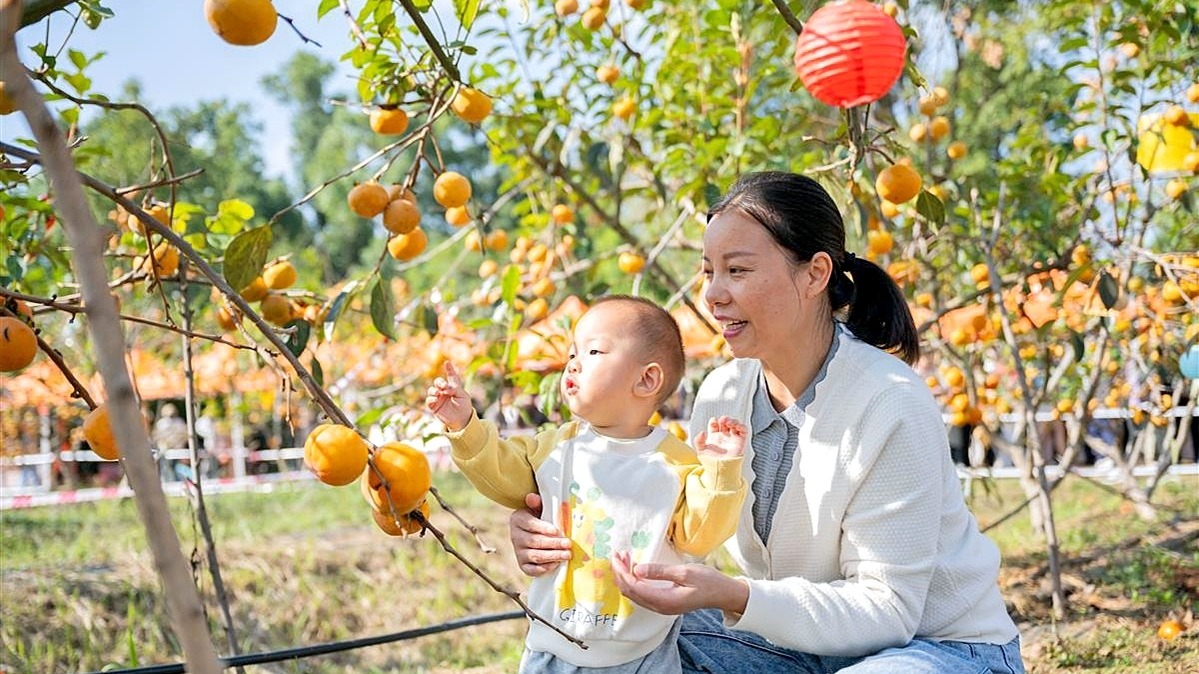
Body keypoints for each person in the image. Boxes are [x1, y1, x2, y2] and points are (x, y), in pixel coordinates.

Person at [508, 172, 1025, 674]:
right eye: (708, 270)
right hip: (792, 647)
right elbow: (663, 517)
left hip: (940, 649)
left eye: (737, 270)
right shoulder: (723, 394)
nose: (713, 294)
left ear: (815, 274)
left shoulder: (890, 401)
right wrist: (559, 528)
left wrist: (734, 594)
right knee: (609, 638)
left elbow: (888, 610)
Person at [426, 295, 750, 673]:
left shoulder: (674, 462)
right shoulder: (556, 446)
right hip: (554, 647)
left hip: (647, 653)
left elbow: (699, 535)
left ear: (647, 379)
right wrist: (465, 426)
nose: (573, 365)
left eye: (593, 351)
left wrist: (720, 469)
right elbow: (503, 476)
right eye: (571, 354)